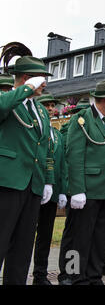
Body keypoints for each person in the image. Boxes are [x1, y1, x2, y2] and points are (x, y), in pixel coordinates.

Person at [65, 78, 105, 285]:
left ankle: (93, 275)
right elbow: (74, 156)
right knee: (79, 238)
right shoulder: (82, 119)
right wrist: (77, 189)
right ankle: (75, 277)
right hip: (88, 189)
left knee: (101, 237)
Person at [0, 49, 53, 285]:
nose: (45, 83)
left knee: (22, 248)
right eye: (40, 78)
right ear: (26, 78)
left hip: (33, 185)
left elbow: (44, 147)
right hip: (8, 182)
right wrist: (24, 90)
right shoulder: (10, 99)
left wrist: (47, 180)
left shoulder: (41, 110)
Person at [32, 94, 68, 285]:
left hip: (52, 191)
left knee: (45, 235)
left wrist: (62, 190)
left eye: (52, 105)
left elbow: (61, 164)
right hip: (34, 188)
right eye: (45, 105)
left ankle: (40, 274)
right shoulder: (35, 129)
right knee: (24, 234)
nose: (49, 108)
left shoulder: (58, 134)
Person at [57, 97, 91, 285]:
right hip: (73, 188)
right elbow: (65, 162)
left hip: (88, 189)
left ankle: (80, 271)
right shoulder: (66, 132)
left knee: (84, 234)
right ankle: (67, 273)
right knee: (73, 233)